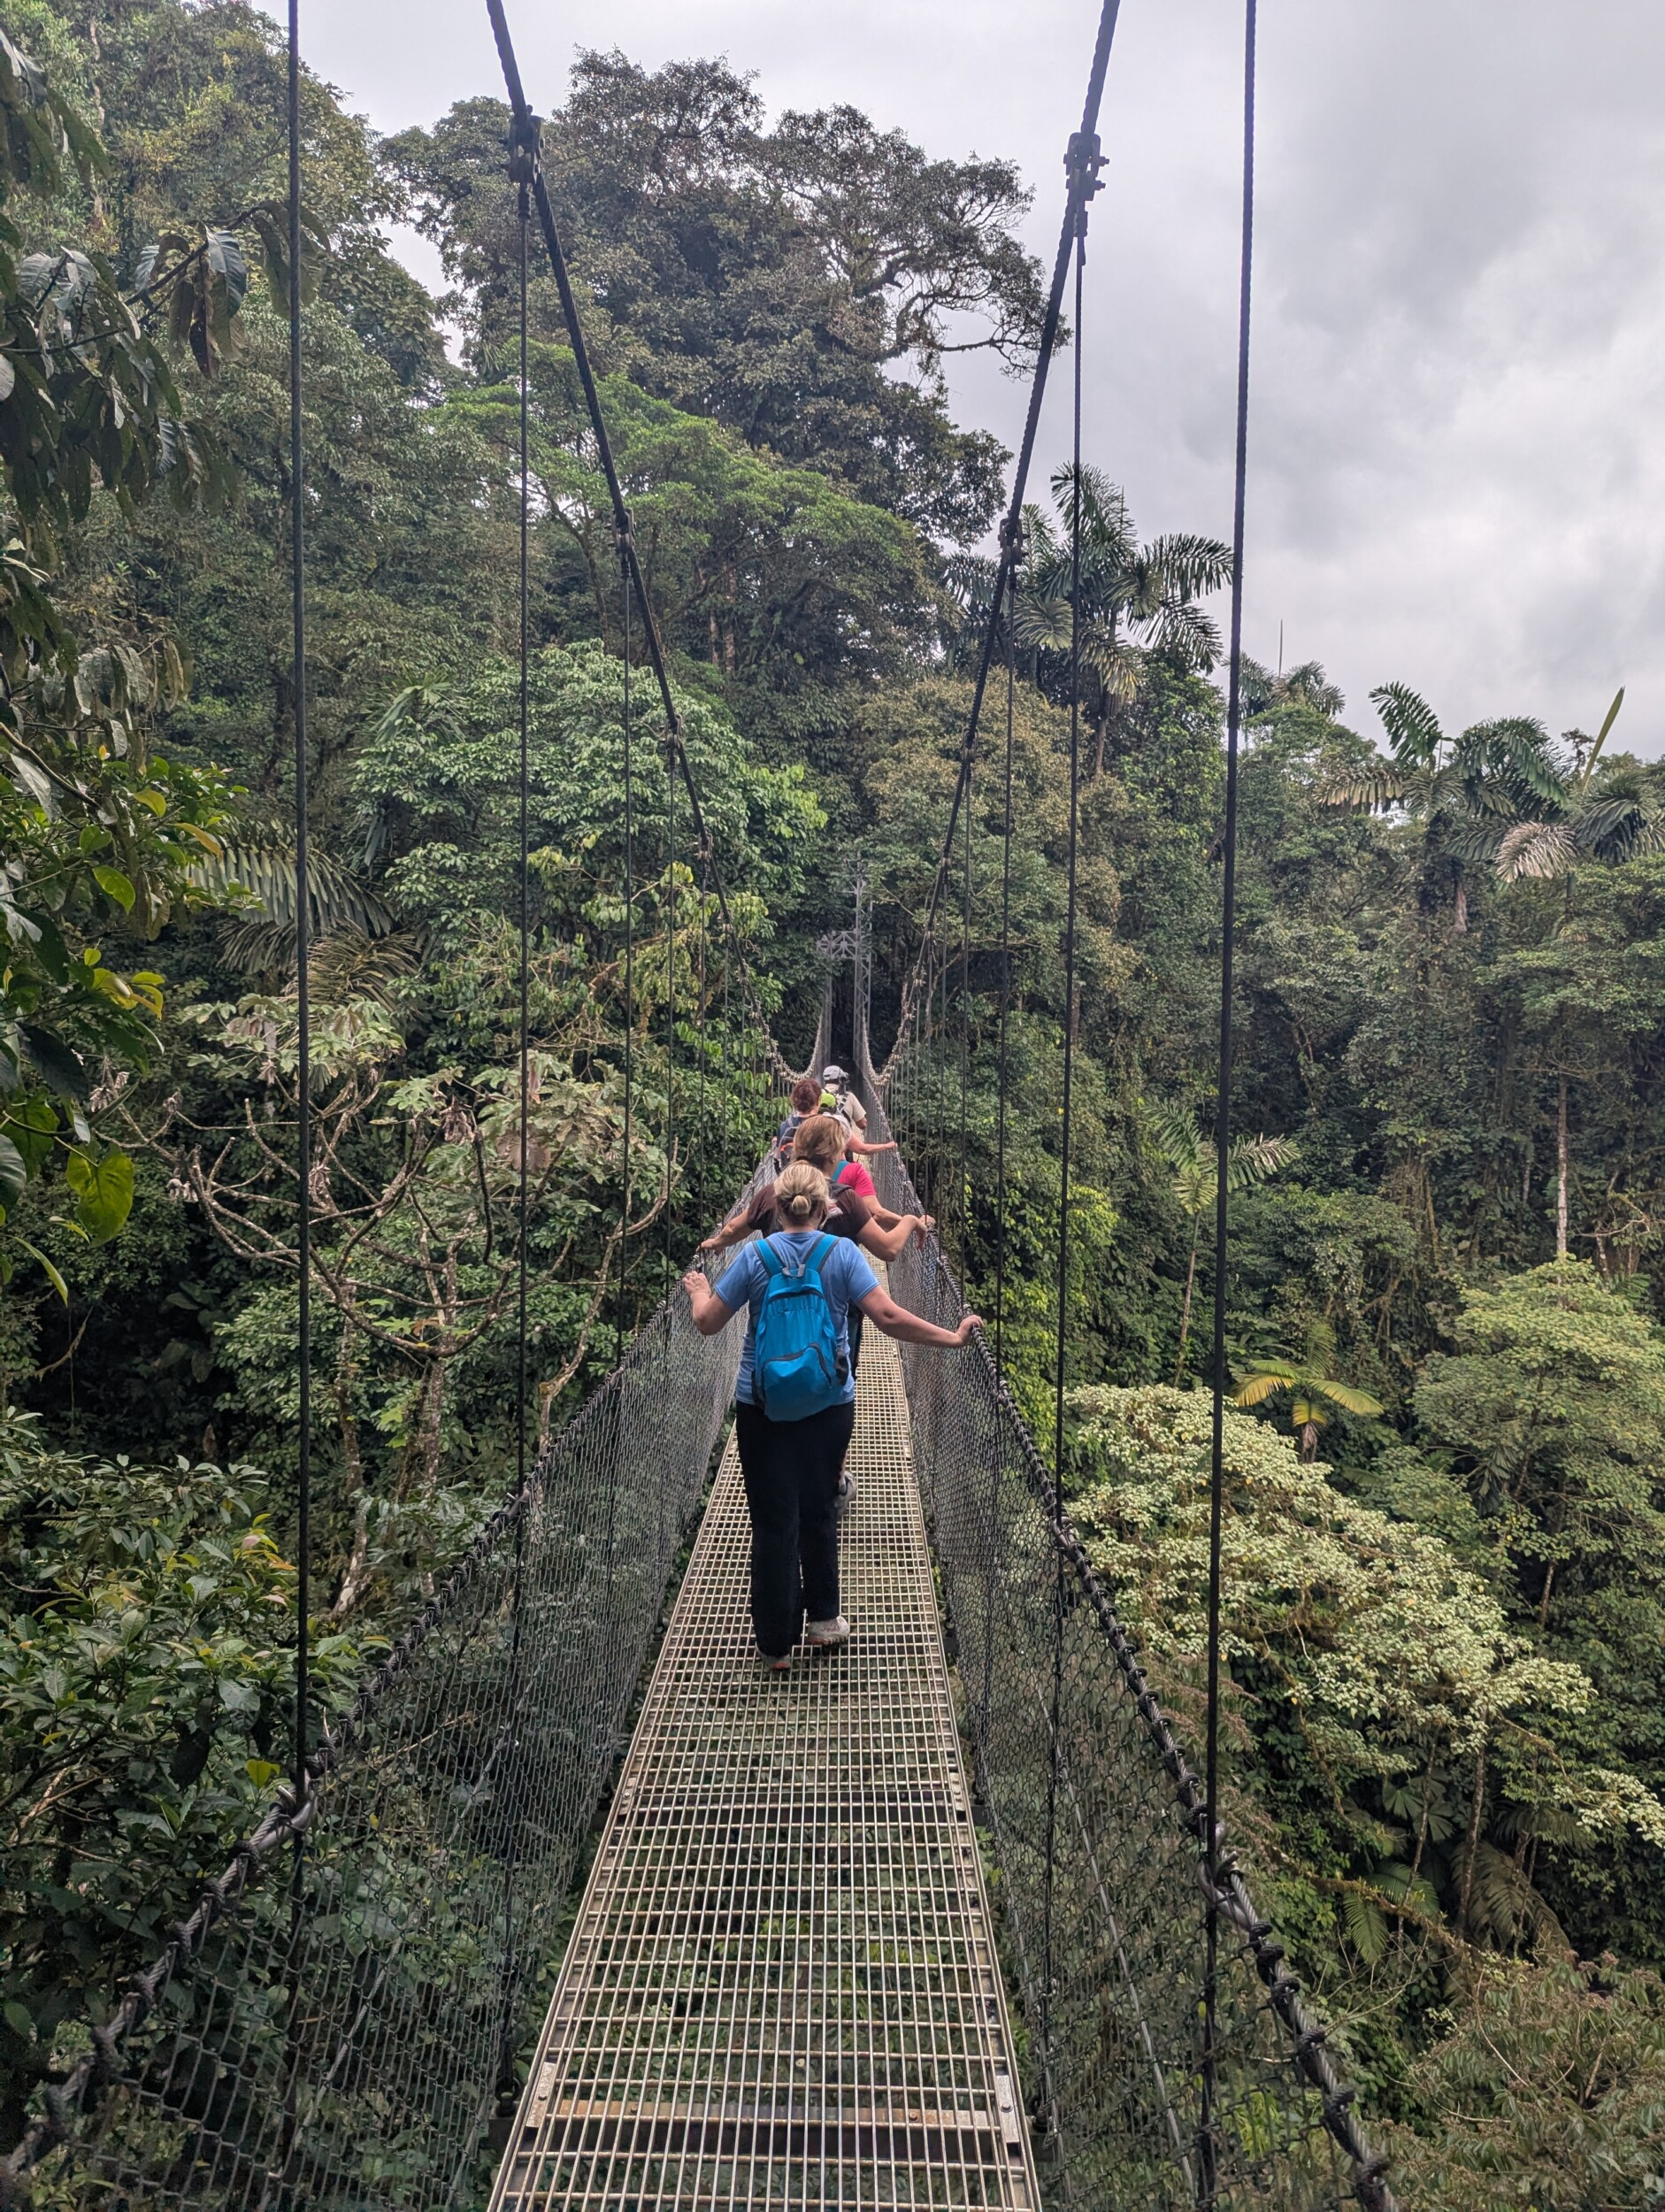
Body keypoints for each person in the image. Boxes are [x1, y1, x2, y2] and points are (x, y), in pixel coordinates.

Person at [683, 1162, 979, 1671]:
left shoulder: (755, 1255)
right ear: (826, 1209)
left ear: (776, 1209)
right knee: (820, 1508)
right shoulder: (842, 1253)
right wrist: (951, 1337)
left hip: (762, 1408)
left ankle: (775, 1647)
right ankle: (823, 1622)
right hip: (829, 1404)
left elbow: (709, 1325)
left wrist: (698, 1291)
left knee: (774, 1522)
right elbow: (886, 1317)